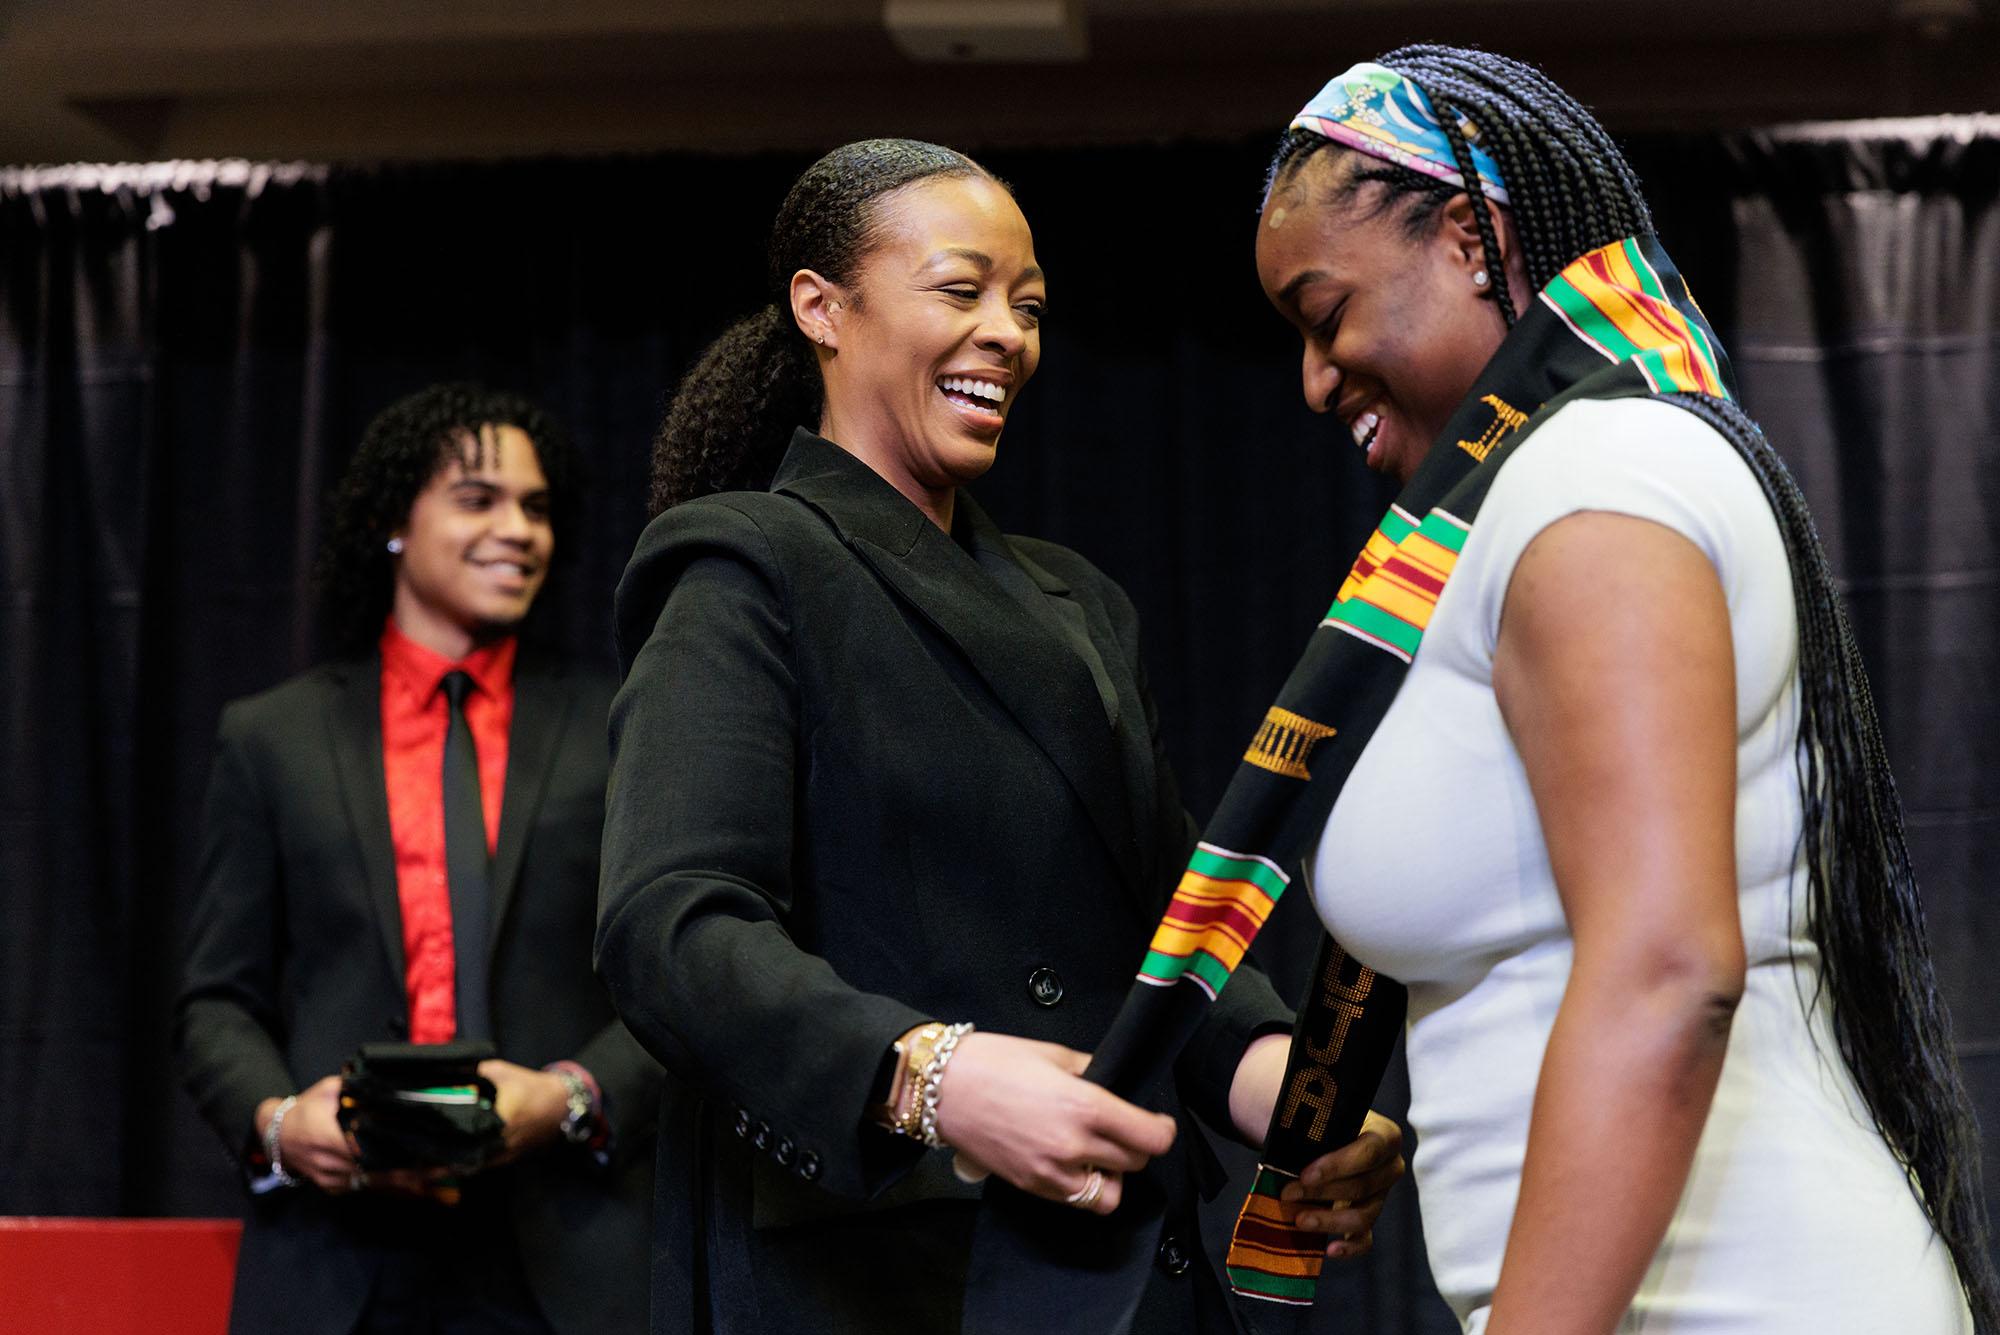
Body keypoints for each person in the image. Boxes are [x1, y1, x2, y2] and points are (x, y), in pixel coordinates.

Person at [1229, 44, 1998, 1333]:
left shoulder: (1589, 477)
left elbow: (1664, 971)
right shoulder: (1539, 502)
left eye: (1325, 315)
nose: (1313, 380)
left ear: (1472, 239)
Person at [593, 138, 1405, 1334]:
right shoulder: (743, 564)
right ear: (821, 308)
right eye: (958, 289)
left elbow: (1163, 936)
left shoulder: (1077, 601)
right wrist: (931, 1075)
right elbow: (669, 929)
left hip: (1133, 1270)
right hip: (891, 1274)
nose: (1006, 335)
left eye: (1026, 306)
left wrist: (1292, 1097)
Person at [175, 383, 662, 1335]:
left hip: (567, 1262)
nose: (518, 529)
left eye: (536, 506)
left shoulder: (620, 727)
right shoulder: (274, 736)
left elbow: (678, 980)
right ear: (392, 522)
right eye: (478, 499)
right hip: (336, 1261)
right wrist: (279, 1122)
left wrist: (572, 1096)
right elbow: (215, 1000)